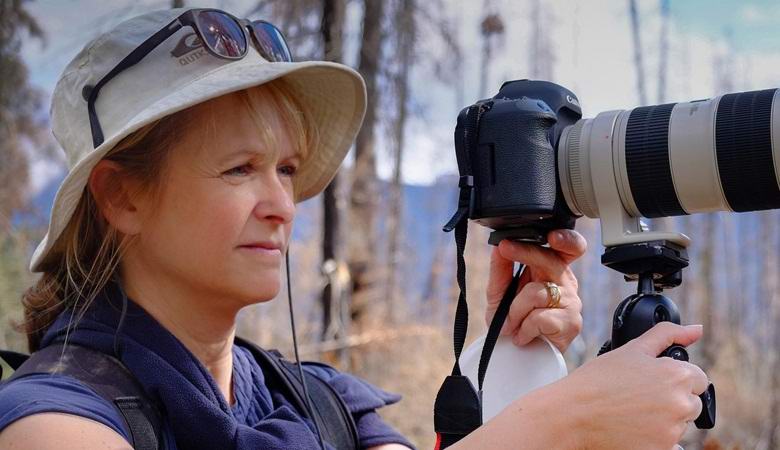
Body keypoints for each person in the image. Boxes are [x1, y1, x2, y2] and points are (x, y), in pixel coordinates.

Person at [0, 7, 709, 450]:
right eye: (241, 168)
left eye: (288, 168)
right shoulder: (53, 419)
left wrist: (500, 362)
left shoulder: (323, 403)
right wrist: (568, 425)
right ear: (121, 196)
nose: (283, 203)